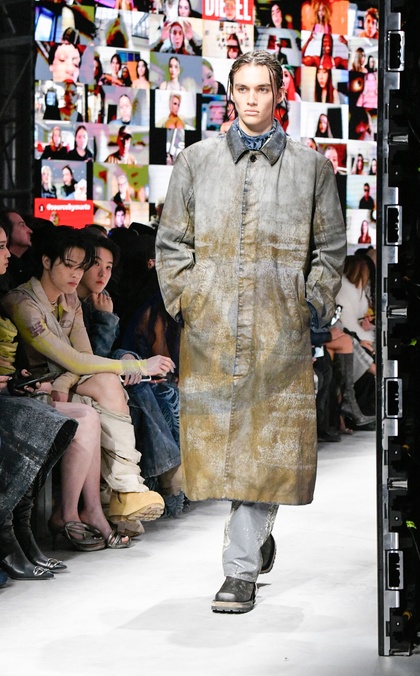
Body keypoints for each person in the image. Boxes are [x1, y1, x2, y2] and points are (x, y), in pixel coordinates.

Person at [156, 50, 346, 613]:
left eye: (263, 88)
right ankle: (255, 534)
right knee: (223, 447)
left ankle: (238, 571)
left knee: (269, 444)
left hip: (279, 332)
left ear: (279, 94)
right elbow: (171, 244)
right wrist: (190, 300)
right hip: (212, 329)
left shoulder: (312, 168)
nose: (252, 99)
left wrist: (305, 305)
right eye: (243, 88)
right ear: (231, 94)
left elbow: (330, 249)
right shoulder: (196, 162)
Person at [1, 227, 174, 531]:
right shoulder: (21, 302)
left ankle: (126, 489)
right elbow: (75, 359)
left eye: (81, 267)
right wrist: (138, 365)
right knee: (108, 396)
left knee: (109, 384)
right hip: (31, 390)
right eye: (69, 265)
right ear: (46, 261)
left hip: (58, 386)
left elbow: (81, 357)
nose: (76, 274)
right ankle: (116, 497)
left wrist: (63, 383)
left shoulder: (70, 299)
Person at [78, 234, 184, 519]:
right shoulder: (79, 303)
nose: (103, 273)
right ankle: (165, 476)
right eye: (96, 264)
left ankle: (153, 483)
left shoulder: (97, 301)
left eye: (109, 267)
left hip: (104, 377)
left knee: (152, 389)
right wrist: (108, 325)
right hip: (80, 381)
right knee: (142, 390)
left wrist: (127, 358)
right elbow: (88, 357)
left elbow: (105, 353)